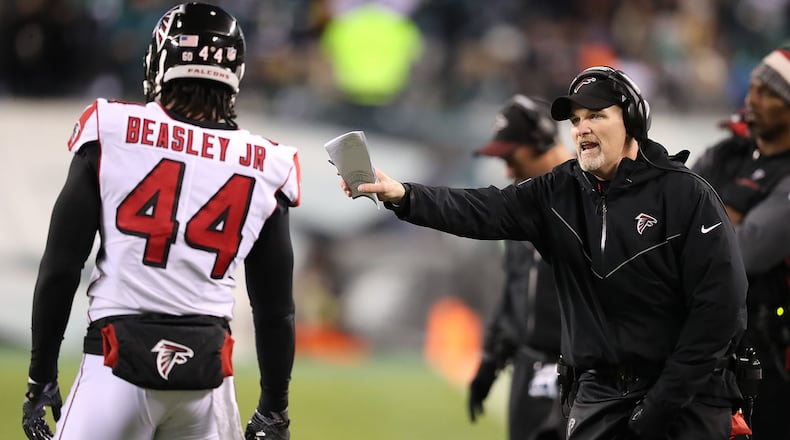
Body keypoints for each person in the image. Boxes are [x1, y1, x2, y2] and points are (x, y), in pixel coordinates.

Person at [338, 66, 748, 440]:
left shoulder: (686, 195)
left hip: (687, 397)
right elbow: (481, 209)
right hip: (599, 394)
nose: (582, 129)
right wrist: (403, 195)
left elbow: (720, 309)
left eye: (596, 116)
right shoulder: (557, 190)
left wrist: (662, 403)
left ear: (632, 122)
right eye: (575, 121)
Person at [21, 3, 300, 440]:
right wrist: (274, 409)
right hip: (208, 377)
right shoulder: (268, 162)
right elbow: (275, 310)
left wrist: (40, 376)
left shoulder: (112, 128)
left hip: (114, 365)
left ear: (161, 61)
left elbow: (59, 269)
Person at [692, 47, 790, 439]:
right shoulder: (727, 152)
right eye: (752, 88)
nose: (753, 99)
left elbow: (748, 252)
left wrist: (709, 218)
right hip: (711, 345)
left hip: (773, 354)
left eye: (768, 93)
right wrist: (730, 218)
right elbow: (673, 217)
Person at [467, 95, 571, 440]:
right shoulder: (519, 204)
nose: (508, 170)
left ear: (542, 140)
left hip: (581, 373)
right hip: (528, 368)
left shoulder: (591, 198)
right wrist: (491, 360)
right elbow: (515, 289)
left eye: (511, 157)